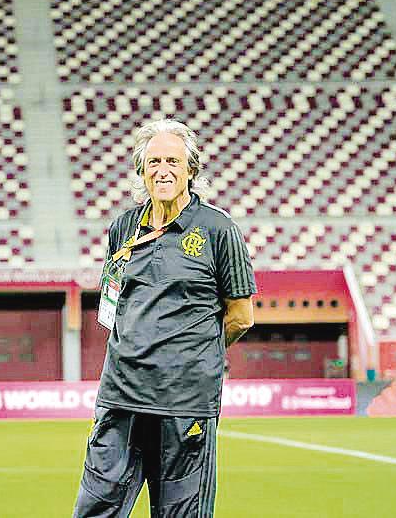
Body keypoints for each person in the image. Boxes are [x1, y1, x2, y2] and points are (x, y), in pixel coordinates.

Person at [73, 119, 256, 517]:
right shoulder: (122, 227)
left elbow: (241, 317)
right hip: (122, 394)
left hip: (185, 399)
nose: (163, 170)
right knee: (96, 507)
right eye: (153, 161)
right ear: (141, 171)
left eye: (173, 160)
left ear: (192, 169)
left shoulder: (218, 229)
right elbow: (114, 302)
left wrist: (192, 351)